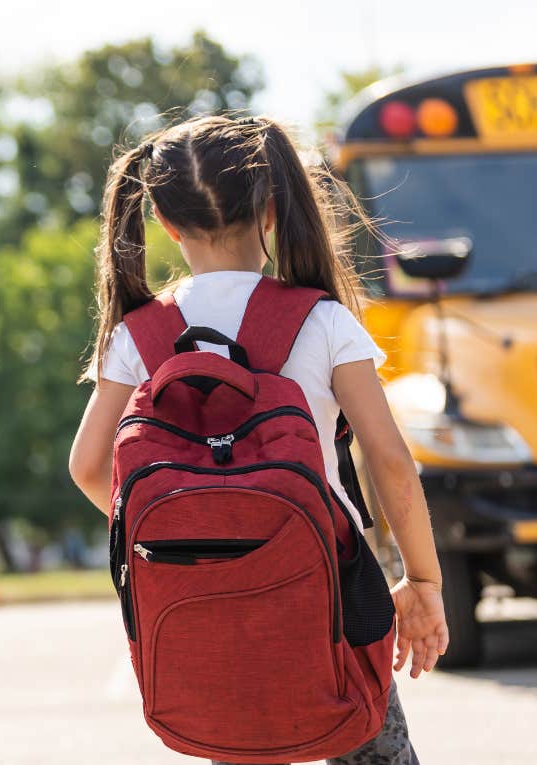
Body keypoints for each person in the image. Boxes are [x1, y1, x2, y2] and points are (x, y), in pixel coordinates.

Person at [68, 114, 450, 765]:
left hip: (204, 584)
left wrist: (198, 525)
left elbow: (86, 466)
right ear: (272, 207)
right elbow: (389, 459)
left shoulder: (139, 335)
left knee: (237, 740)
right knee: (370, 744)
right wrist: (423, 580)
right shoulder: (322, 320)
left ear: (164, 220)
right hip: (334, 580)